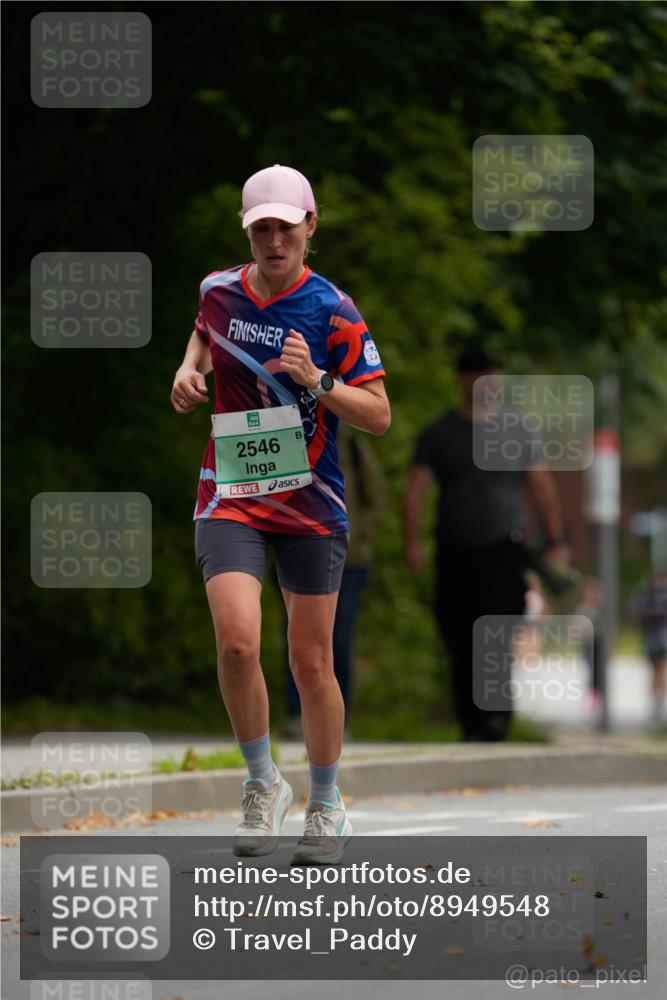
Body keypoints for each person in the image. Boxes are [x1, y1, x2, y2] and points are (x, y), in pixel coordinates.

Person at [171, 164, 390, 864]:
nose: (272, 241)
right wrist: (187, 368)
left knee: (310, 661)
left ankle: (326, 802)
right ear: (247, 231)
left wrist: (316, 380)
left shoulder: (333, 310)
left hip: (309, 501)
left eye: (284, 228)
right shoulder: (217, 290)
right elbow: (205, 332)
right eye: (260, 229)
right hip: (230, 492)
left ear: (309, 228)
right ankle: (263, 782)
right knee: (237, 642)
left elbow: (379, 415)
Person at [402, 345, 568, 741]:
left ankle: (496, 717)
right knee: (459, 633)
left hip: (504, 548)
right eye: (479, 374)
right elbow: (415, 489)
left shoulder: (516, 428)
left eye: (493, 375)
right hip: (456, 548)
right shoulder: (440, 432)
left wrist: (556, 539)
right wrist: (412, 541)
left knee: (495, 632)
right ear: (462, 379)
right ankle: (469, 719)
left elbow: (541, 484)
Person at [284, 422, 388, 736]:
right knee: (295, 636)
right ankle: (297, 714)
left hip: (350, 561)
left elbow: (377, 499)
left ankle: (337, 718)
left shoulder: (353, 447)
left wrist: (358, 536)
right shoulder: (291, 435)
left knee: (338, 638)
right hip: (299, 554)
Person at [630, 567, 667, 726]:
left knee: (659, 671)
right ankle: (656, 703)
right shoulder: (646, 596)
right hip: (654, 639)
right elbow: (636, 615)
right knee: (656, 671)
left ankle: (657, 703)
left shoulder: (649, 596)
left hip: (659, 638)